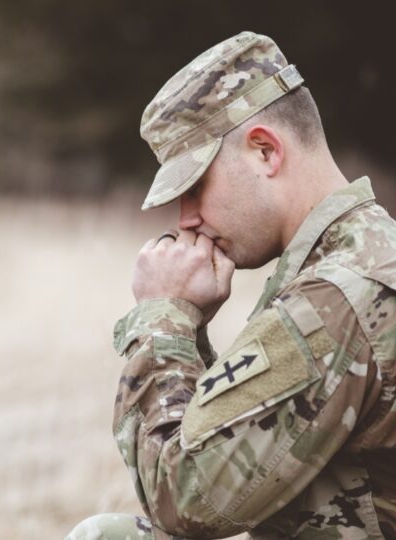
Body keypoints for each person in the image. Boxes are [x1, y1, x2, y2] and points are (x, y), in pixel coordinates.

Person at [66, 31, 396, 539]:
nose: (187, 219)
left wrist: (164, 318)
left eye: (195, 187)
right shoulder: (365, 251)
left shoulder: (337, 296)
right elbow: (241, 442)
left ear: (265, 151)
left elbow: (184, 499)